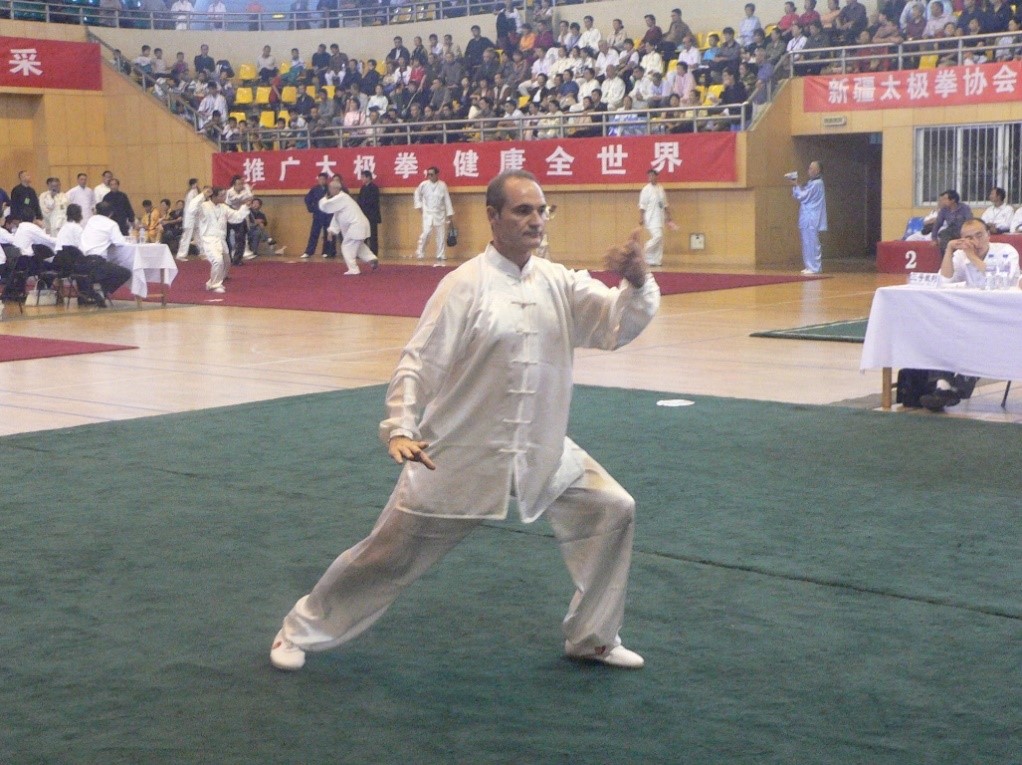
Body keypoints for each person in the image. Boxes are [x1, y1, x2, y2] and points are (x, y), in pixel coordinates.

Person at [269, 169, 660, 673]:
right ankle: (299, 630)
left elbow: (614, 324)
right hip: (456, 455)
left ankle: (593, 637)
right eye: (523, 210)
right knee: (386, 556)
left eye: (542, 210)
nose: (536, 220)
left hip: (541, 448)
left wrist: (636, 279)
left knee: (612, 508)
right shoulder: (463, 286)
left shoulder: (559, 282)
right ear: (492, 217)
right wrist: (401, 428)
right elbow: (419, 361)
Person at [914, 218, 1020, 412]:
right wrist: (948, 251)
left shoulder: (1006, 251)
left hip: (1005, 318)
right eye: (968, 237)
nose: (974, 241)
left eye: (979, 235)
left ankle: (956, 388)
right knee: (942, 329)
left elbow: (998, 280)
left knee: (977, 338)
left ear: (988, 234)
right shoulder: (961, 255)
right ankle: (943, 387)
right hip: (973, 315)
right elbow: (945, 281)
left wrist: (971, 255)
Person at [318, 177, 379, 276]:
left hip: (356, 226)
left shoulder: (342, 197)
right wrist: (332, 230)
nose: (330, 191)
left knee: (346, 246)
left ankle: (353, 269)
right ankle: (371, 258)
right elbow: (336, 216)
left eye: (331, 188)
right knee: (358, 245)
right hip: (360, 225)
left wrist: (325, 199)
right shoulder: (341, 200)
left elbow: (326, 206)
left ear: (336, 189)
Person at [79, 200, 134, 304]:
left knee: (108, 269)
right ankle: (102, 290)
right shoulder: (111, 224)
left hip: (81, 261)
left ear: (96, 211)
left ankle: (97, 290)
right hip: (96, 262)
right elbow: (119, 242)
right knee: (125, 273)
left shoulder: (91, 220)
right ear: (111, 213)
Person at [195, 186, 247, 293]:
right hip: (208, 239)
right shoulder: (203, 206)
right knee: (218, 261)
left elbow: (236, 217)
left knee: (227, 262)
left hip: (221, 239)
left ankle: (212, 282)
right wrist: (203, 195)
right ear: (213, 196)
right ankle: (214, 285)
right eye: (222, 195)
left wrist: (245, 206)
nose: (224, 197)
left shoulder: (224, 207)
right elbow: (192, 207)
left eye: (225, 195)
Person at [790, 161, 828, 274]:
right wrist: (797, 185)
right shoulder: (811, 183)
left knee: (813, 242)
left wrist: (796, 185)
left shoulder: (818, 183)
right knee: (806, 242)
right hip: (806, 215)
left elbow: (804, 196)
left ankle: (815, 267)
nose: (809, 170)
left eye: (812, 168)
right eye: (809, 168)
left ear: (817, 171)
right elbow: (801, 194)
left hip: (812, 216)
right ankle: (808, 265)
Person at [413, 166, 454, 263]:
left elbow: (447, 199)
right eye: (428, 174)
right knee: (426, 233)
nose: (429, 176)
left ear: (437, 175)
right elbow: (417, 194)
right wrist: (419, 206)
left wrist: (449, 213)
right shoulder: (423, 184)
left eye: (431, 174)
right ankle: (420, 252)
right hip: (427, 213)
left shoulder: (442, 185)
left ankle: (440, 254)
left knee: (441, 235)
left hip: (440, 213)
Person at [638, 169, 673, 267]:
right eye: (649, 176)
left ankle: (655, 261)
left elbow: (664, 204)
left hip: (660, 217)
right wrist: (641, 217)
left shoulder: (660, 188)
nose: (651, 178)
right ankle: (644, 250)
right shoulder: (646, 189)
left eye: (653, 176)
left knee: (660, 241)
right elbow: (642, 205)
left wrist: (668, 216)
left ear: (656, 176)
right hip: (651, 218)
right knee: (658, 236)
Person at [301, 173, 335, 260]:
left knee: (327, 233)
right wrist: (312, 208)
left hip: (328, 214)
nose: (321, 181)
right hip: (318, 214)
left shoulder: (330, 189)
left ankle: (326, 251)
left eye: (323, 179)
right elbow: (307, 199)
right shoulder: (315, 189)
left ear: (326, 180)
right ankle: (309, 252)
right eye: (320, 179)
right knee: (314, 233)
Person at [931, 189, 973, 256]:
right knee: (943, 234)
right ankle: (947, 257)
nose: (943, 201)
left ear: (952, 200)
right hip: (951, 230)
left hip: (963, 230)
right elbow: (937, 224)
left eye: (945, 199)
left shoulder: (964, 208)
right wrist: (934, 238)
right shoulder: (944, 210)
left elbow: (969, 221)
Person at [177, 181, 204, 260]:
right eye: (195, 183)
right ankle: (181, 255)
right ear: (193, 184)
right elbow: (194, 205)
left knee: (199, 236)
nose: (197, 185)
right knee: (187, 237)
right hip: (190, 217)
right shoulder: (191, 193)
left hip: (195, 217)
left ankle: (203, 252)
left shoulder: (195, 192)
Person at [357, 170, 382, 256]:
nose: (362, 179)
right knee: (363, 235)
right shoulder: (363, 188)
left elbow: (373, 201)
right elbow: (359, 200)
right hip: (363, 215)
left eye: (363, 177)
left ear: (368, 177)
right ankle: (363, 253)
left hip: (372, 215)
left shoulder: (374, 188)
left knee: (372, 236)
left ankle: (373, 253)